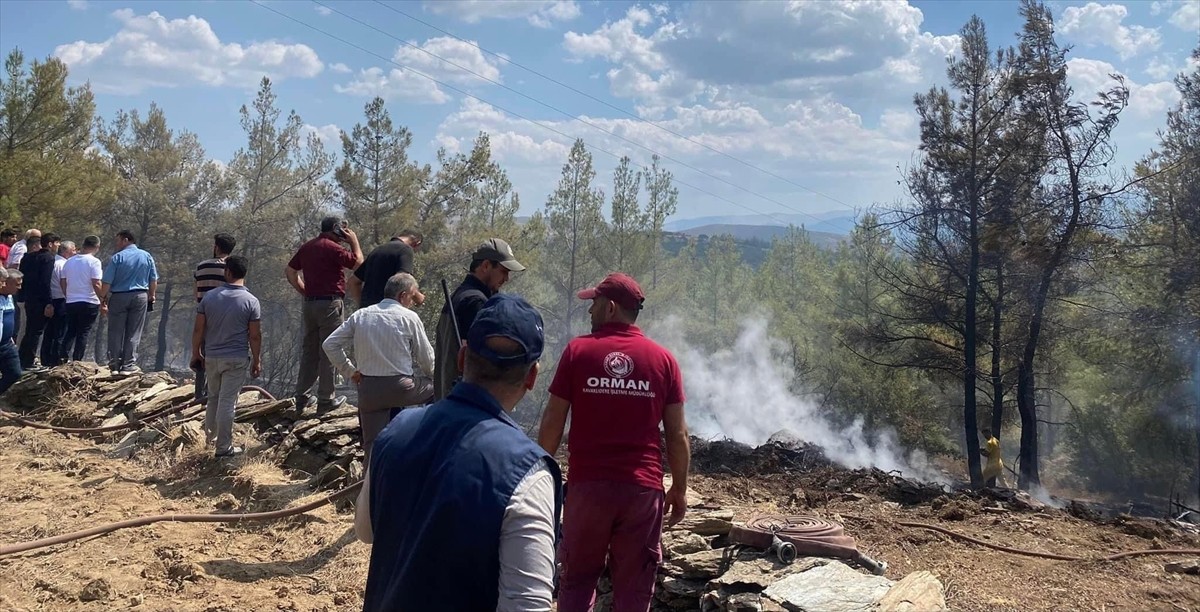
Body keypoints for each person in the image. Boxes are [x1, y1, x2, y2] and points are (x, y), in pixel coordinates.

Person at [356, 294, 561, 612]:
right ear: (532, 377)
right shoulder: (528, 472)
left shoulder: (396, 431)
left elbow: (365, 531)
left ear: (463, 357)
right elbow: (526, 604)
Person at [538, 272, 690, 612]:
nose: (588, 311)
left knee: (577, 580)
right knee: (635, 592)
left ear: (609, 308)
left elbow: (553, 419)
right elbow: (677, 435)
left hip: (588, 489)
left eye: (593, 304)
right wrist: (679, 487)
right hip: (641, 492)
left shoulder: (579, 352)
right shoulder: (664, 361)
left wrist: (539, 471)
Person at [323, 272, 433, 466]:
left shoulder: (361, 315)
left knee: (371, 447)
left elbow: (329, 344)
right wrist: (436, 377)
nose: (412, 302)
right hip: (401, 388)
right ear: (403, 295)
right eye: (412, 296)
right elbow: (427, 360)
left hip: (368, 389)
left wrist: (350, 371)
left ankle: (368, 489)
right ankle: (433, 444)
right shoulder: (409, 317)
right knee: (441, 388)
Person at [433, 238, 526, 401]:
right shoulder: (475, 302)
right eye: (504, 271)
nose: (507, 278)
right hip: (464, 402)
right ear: (485, 266)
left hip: (449, 399)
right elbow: (484, 362)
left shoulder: (460, 295)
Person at [286, 217, 363, 412]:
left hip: (310, 304)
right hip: (330, 303)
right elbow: (358, 264)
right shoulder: (333, 248)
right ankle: (326, 399)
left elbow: (290, 271)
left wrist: (304, 290)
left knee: (310, 351)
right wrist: (354, 241)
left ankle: (302, 397)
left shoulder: (308, 246)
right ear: (336, 229)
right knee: (330, 348)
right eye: (343, 229)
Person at [190, 255, 262, 459]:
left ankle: (209, 441)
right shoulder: (251, 301)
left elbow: (198, 329)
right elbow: (255, 335)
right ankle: (223, 448)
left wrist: (196, 353)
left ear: (227, 272)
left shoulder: (210, 297)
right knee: (228, 401)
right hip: (236, 358)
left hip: (212, 357)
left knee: (213, 397)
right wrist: (257, 360)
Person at [99, 230, 158, 373]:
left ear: (126, 240)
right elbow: (153, 278)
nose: (116, 244)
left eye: (118, 240)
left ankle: (115, 363)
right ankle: (128, 364)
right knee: (134, 332)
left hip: (119, 296)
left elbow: (107, 281)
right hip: (140, 296)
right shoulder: (146, 256)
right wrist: (152, 295)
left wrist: (102, 297)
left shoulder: (117, 258)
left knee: (115, 331)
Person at [192, 233, 237, 402]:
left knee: (202, 352)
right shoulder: (232, 269)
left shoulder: (201, 267)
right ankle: (216, 392)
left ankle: (199, 393)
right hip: (226, 315)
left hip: (204, 313)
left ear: (216, 247)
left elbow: (195, 292)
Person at [348, 230, 426, 309]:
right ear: (417, 243)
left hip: (367, 314)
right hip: (387, 311)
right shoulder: (405, 250)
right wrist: (419, 297)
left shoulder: (377, 250)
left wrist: (363, 306)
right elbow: (403, 279)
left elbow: (353, 282)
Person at [17, 233, 59, 370]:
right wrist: (49, 302)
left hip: (29, 299)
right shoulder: (48, 258)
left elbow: (22, 278)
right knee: (36, 331)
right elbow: (45, 282)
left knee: (30, 330)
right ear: (50, 244)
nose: (58, 246)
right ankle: (29, 362)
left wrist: (21, 296)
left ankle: (22, 359)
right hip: (41, 300)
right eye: (57, 243)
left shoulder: (27, 257)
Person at [61, 236, 103, 363]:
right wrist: (103, 298)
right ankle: (77, 360)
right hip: (89, 300)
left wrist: (67, 295)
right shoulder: (94, 262)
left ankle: (62, 357)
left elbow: (63, 281)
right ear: (97, 247)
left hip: (72, 301)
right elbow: (96, 282)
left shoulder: (69, 261)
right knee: (83, 332)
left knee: (71, 331)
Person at [44, 240, 76, 366]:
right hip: (62, 300)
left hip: (52, 300)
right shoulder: (63, 265)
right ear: (66, 251)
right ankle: (56, 361)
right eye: (73, 249)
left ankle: (46, 359)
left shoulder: (53, 262)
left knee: (50, 332)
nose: (75, 252)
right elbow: (65, 283)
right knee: (60, 333)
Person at [10, 230, 40, 345]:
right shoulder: (23, 248)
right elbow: (15, 265)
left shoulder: (18, 245)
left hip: (15, 285)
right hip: (15, 286)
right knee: (20, 319)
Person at [0, 268, 23, 394]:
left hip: (7, 344)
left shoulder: (10, 298)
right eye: (17, 284)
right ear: (5, 283)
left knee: (15, 374)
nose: (19, 288)